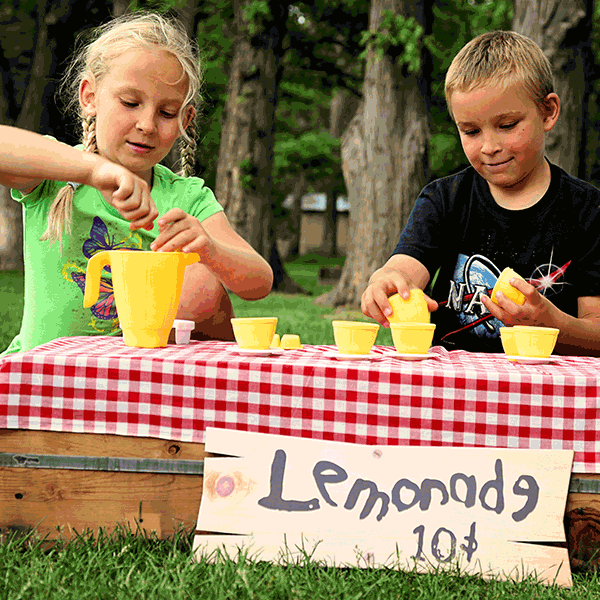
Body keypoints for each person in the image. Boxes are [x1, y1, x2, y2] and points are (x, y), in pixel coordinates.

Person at [0, 12, 273, 356]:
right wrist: (91, 171)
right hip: (45, 379)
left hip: (135, 385)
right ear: (90, 97)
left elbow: (259, 281)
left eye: (167, 113)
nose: (147, 124)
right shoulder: (59, 174)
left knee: (201, 283)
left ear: (185, 121)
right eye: (130, 103)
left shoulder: (186, 196)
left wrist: (211, 252)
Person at [361, 30, 600, 355]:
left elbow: (596, 330)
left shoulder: (588, 210)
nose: (489, 147)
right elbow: (406, 269)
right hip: (448, 386)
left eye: (507, 125)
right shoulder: (444, 199)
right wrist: (386, 280)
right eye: (471, 131)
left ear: (548, 112)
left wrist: (551, 322)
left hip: (543, 391)